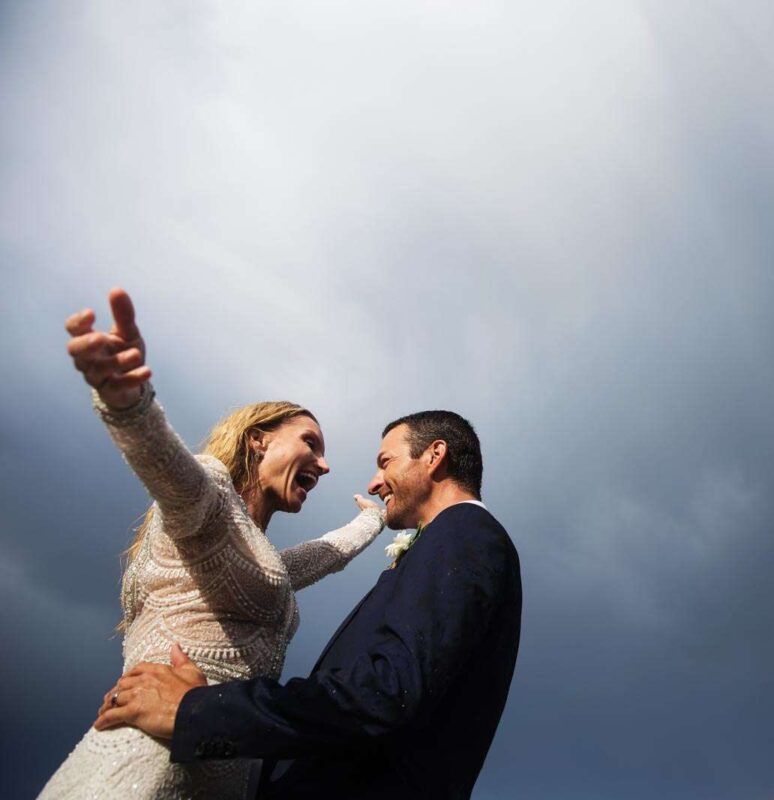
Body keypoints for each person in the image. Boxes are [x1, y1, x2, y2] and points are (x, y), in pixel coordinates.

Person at [40, 289, 387, 799]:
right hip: (151, 759)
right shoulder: (211, 495)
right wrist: (128, 403)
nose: (325, 463)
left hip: (220, 766)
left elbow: (323, 557)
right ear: (259, 439)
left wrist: (373, 521)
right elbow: (170, 470)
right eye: (309, 442)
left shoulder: (255, 558)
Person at [93, 409, 523, 799]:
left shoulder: (465, 534)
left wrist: (200, 712)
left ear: (434, 456)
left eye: (385, 461)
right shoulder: (453, 541)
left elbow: (386, 692)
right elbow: (173, 476)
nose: (374, 482)